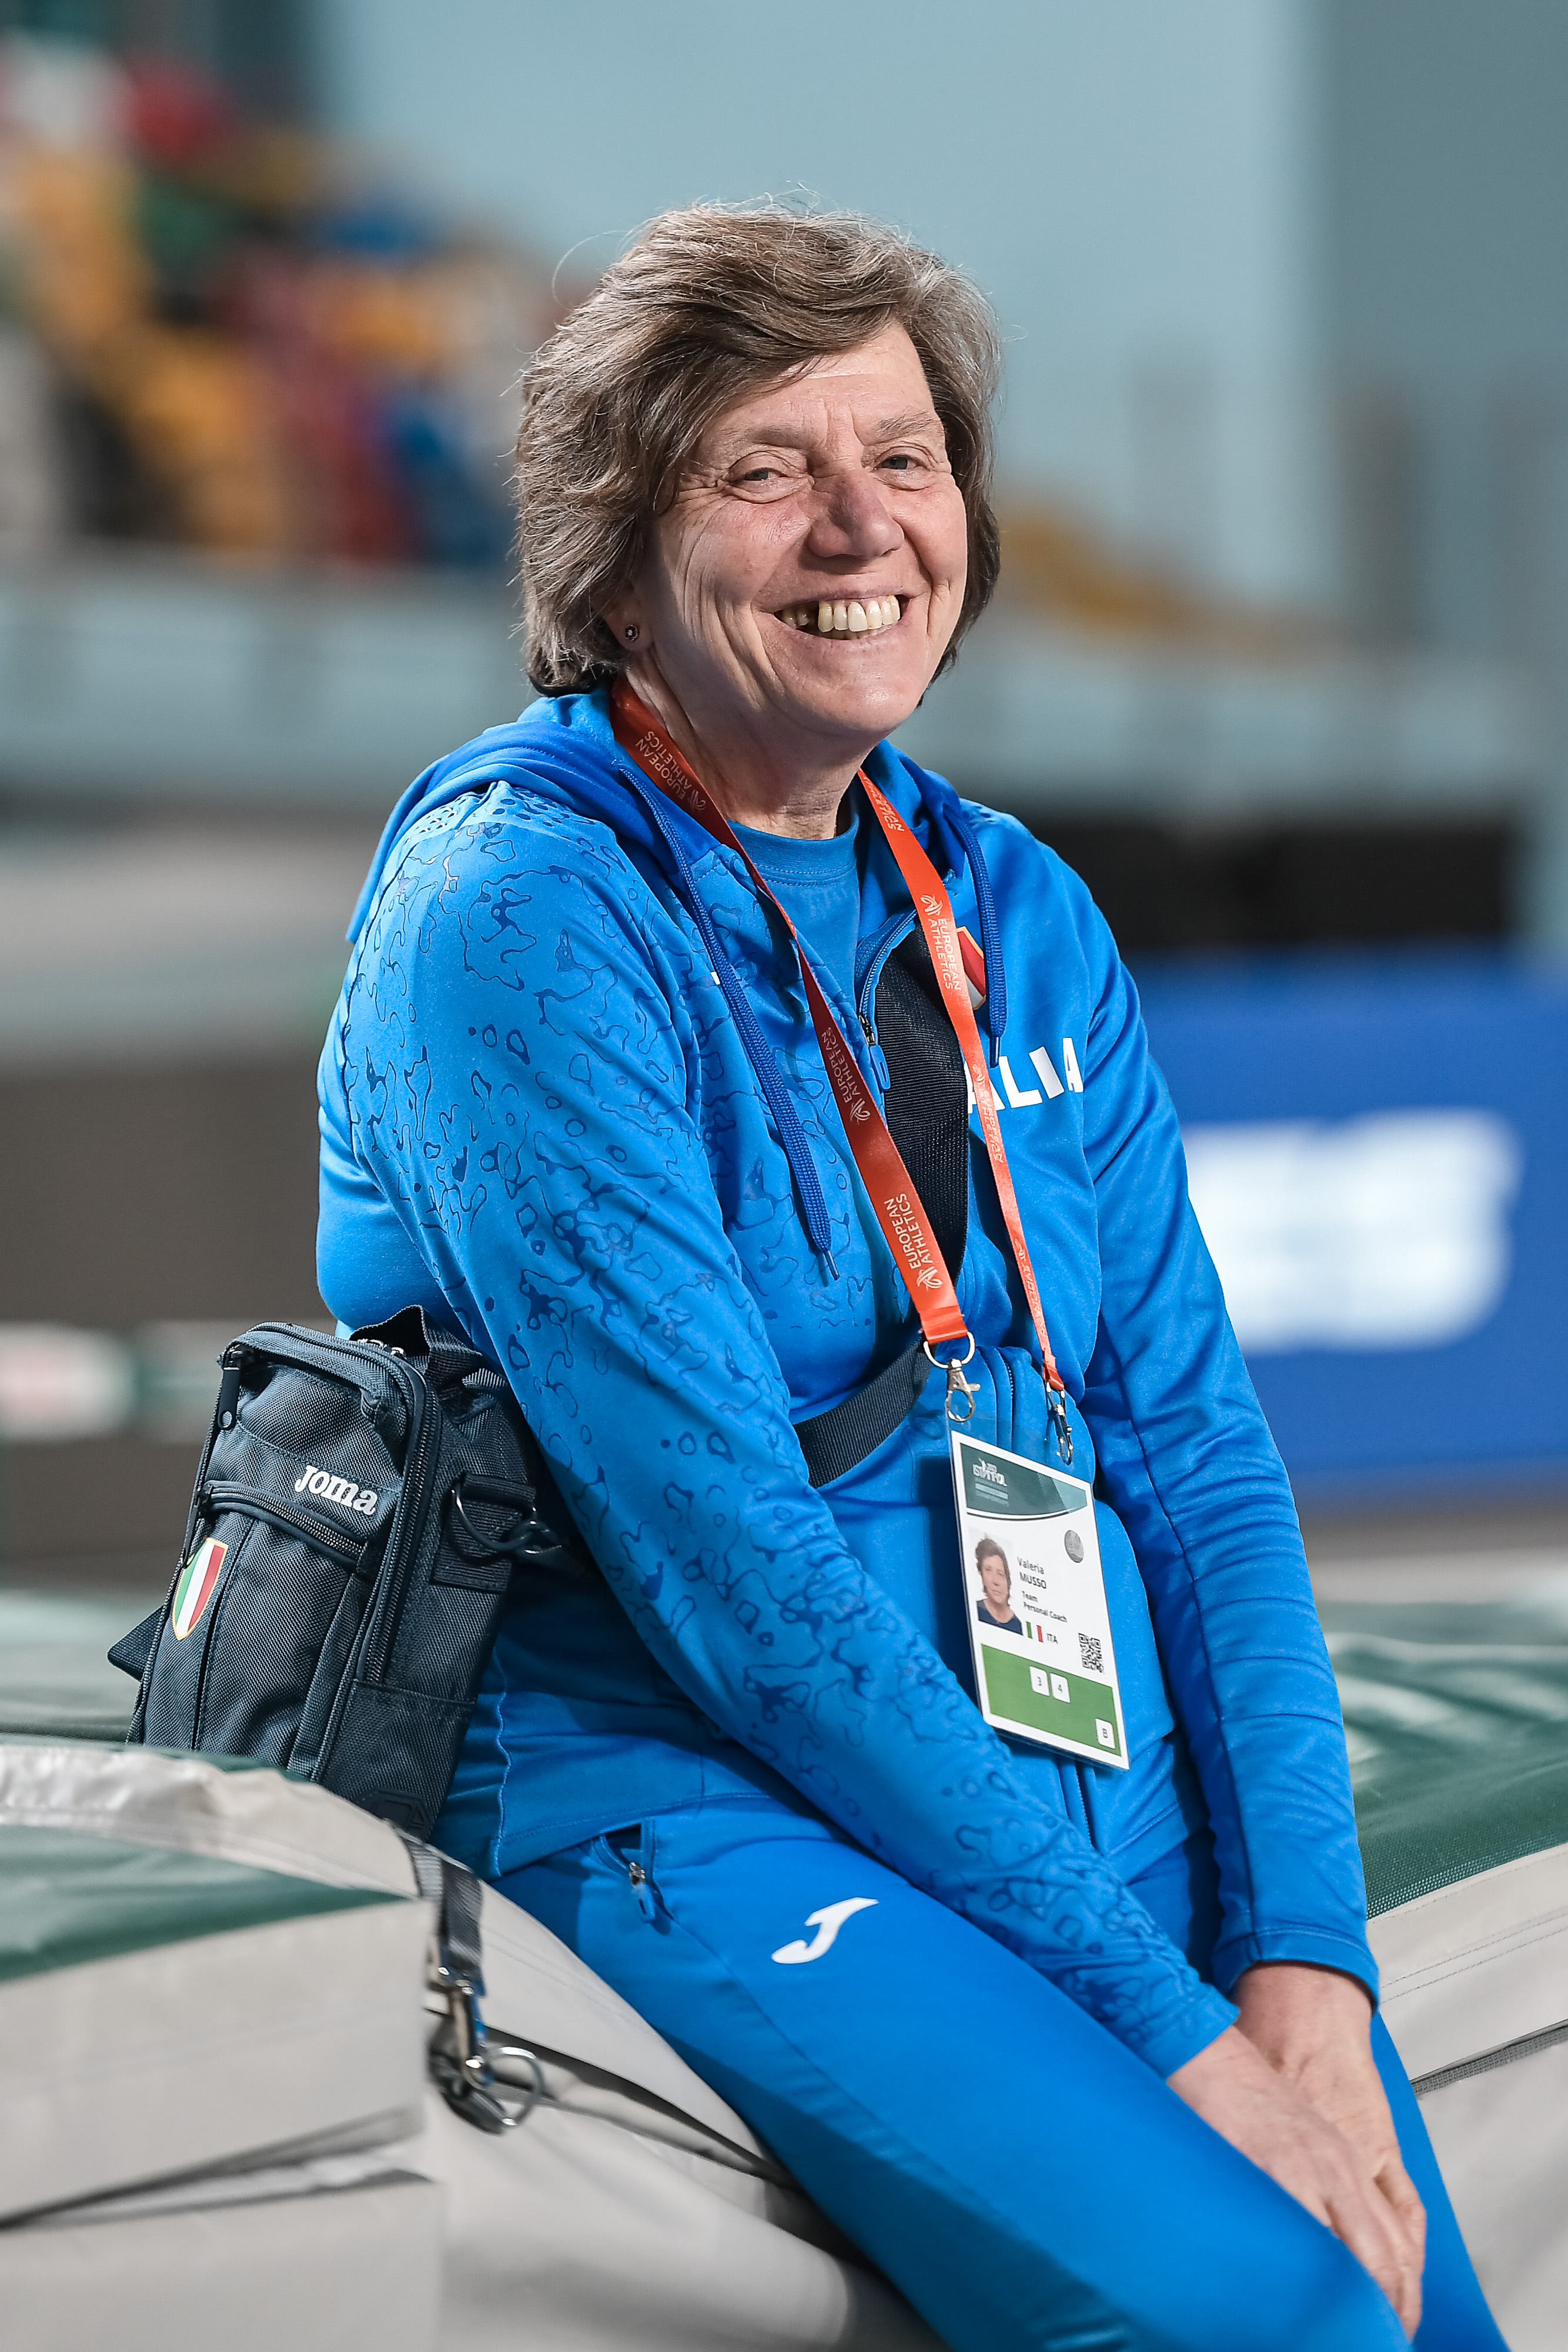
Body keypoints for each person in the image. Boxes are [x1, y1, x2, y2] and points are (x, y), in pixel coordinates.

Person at [317, 206, 1504, 2352]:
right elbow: (734, 1586)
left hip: (1026, 1719)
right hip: (680, 1763)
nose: (861, 525)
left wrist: (1307, 1970)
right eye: (763, 468)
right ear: (614, 564)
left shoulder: (1010, 902)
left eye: (905, 456)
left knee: (1417, 2312)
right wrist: (1179, 2033)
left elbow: (1195, 1458)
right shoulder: (523, 919)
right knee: (1265, 2306)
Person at [976, 1538, 1024, 1634]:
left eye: (1001, 1574)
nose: (996, 1582)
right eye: (988, 1571)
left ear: (1008, 1580)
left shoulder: (1018, 1626)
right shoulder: (975, 1611)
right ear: (981, 1574)